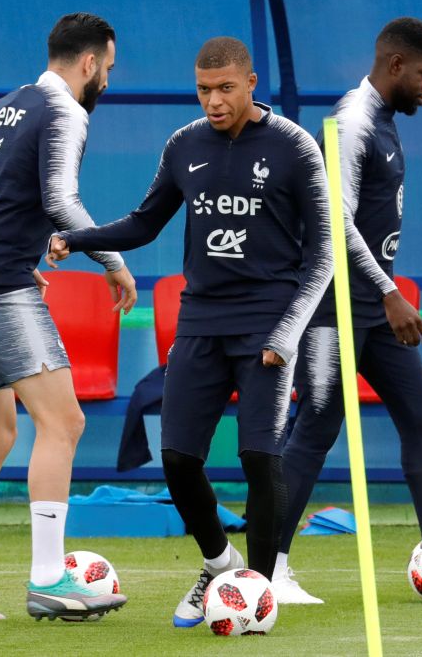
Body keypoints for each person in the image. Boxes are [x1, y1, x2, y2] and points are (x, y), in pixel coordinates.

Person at [48, 36, 333, 627]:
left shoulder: (295, 146)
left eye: (226, 88)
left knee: (260, 457)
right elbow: (145, 222)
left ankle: (257, 594)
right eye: (204, 90)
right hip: (199, 322)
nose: (214, 101)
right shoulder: (184, 144)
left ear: (252, 84)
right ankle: (218, 565)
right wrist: (79, 239)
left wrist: (287, 334)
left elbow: (323, 253)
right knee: (177, 458)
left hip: (266, 327)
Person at [272, 17, 422, 605]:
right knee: (317, 428)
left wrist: (381, 296)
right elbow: (336, 220)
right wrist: (389, 290)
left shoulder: (383, 120)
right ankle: (270, 569)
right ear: (396, 65)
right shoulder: (354, 121)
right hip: (335, 307)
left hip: (371, 307)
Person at [0, 12, 134, 621]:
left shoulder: (5, 106)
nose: (108, 83)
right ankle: (49, 579)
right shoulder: (67, 110)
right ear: (89, 63)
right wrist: (113, 262)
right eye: (109, 70)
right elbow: (61, 199)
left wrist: (3, 246)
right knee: (63, 422)